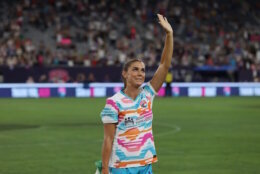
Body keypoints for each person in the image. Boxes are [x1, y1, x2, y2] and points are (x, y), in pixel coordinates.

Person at [100, 14, 173, 174]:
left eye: (143, 70)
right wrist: (105, 168)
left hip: (146, 165)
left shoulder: (147, 95)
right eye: (135, 69)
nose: (140, 73)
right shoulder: (113, 103)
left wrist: (169, 35)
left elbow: (164, 65)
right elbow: (108, 139)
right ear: (124, 74)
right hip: (121, 167)